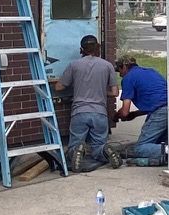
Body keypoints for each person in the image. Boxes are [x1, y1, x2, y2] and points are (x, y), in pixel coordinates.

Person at [52, 34, 121, 170]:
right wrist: (101, 91)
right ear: (98, 48)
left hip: (79, 112)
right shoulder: (107, 66)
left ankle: (76, 151)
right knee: (98, 145)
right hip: (100, 113)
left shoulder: (74, 65)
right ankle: (104, 150)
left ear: (81, 50)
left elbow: (59, 87)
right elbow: (115, 92)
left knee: (75, 144)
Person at [112, 55, 168, 167]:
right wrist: (135, 114)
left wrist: (117, 116)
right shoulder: (151, 71)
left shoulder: (128, 78)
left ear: (124, 67)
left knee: (140, 148)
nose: (120, 74)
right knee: (156, 144)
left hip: (160, 112)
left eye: (119, 70)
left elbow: (125, 112)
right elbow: (156, 101)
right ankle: (164, 155)